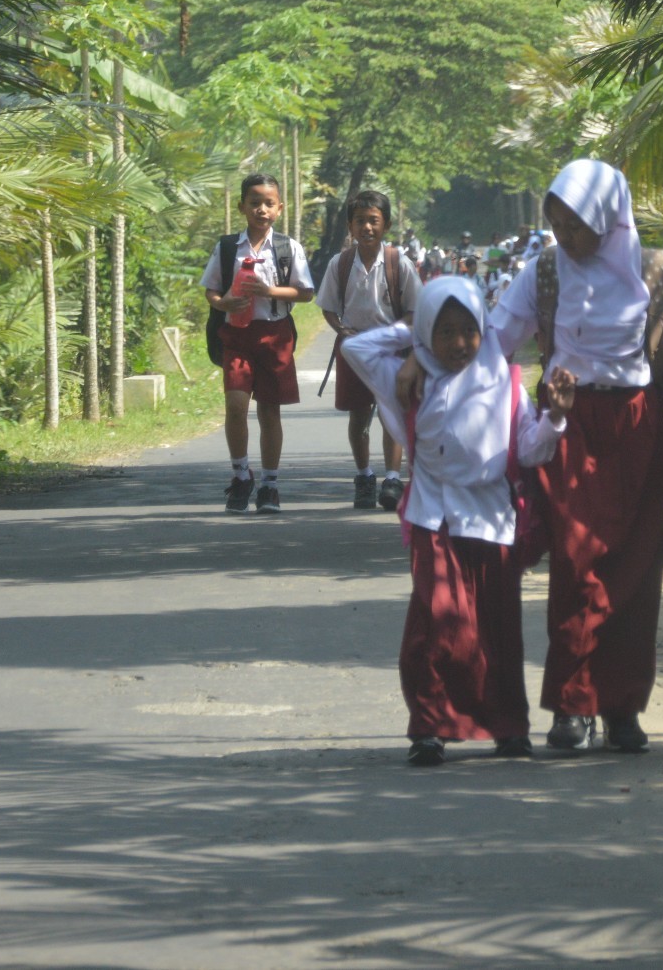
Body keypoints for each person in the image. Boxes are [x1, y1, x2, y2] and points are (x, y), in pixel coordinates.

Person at [407, 159, 663, 754]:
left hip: (639, 430)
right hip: (568, 427)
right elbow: (492, 336)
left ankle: (623, 706)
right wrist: (422, 357)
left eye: (576, 225)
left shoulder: (654, 272)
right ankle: (572, 704)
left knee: (635, 569)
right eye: (559, 225)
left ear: (607, 216)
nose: (567, 237)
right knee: (577, 565)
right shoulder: (544, 271)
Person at [345, 276, 574, 765]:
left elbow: (531, 449)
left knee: (498, 630)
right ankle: (429, 725)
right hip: (435, 518)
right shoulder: (409, 379)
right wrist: (411, 343)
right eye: (443, 331)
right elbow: (357, 348)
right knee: (436, 622)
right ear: (428, 331)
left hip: (493, 522)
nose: (457, 343)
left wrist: (555, 418)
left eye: (469, 331)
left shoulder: (506, 382)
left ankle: (508, 726)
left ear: (484, 332)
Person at [201, 173, 315, 513]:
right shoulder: (226, 248)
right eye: (254, 203)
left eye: (268, 203)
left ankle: (269, 484)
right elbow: (211, 288)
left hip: (275, 335)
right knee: (236, 405)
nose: (261, 209)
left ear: (279, 209)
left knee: (269, 409)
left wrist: (268, 292)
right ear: (241, 207)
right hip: (237, 334)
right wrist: (222, 303)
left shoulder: (287, 248)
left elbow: (306, 292)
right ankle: (240, 475)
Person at [316, 188, 421, 510]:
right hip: (354, 349)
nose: (367, 228)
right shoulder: (340, 263)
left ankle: (392, 479)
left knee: (393, 414)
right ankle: (363, 476)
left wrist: (393, 336)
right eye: (360, 221)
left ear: (386, 225)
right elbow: (328, 307)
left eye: (374, 221)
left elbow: (414, 311)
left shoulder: (398, 263)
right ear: (350, 226)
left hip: (391, 350)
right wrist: (343, 331)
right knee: (359, 416)